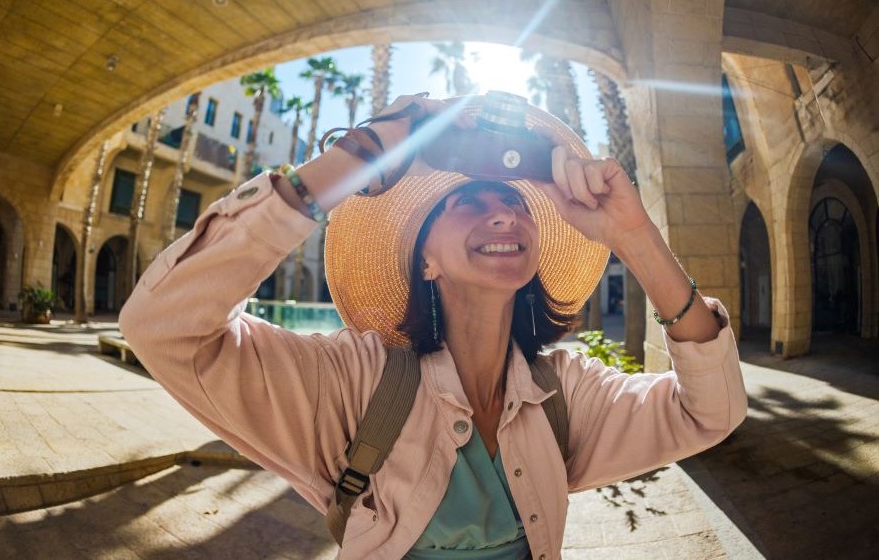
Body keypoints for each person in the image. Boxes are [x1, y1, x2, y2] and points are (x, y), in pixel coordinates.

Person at [119, 92, 747, 559]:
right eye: (467, 202)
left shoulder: (566, 394)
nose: (502, 214)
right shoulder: (354, 384)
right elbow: (163, 326)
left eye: (513, 203)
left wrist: (635, 239)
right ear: (424, 259)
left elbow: (709, 412)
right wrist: (363, 151)